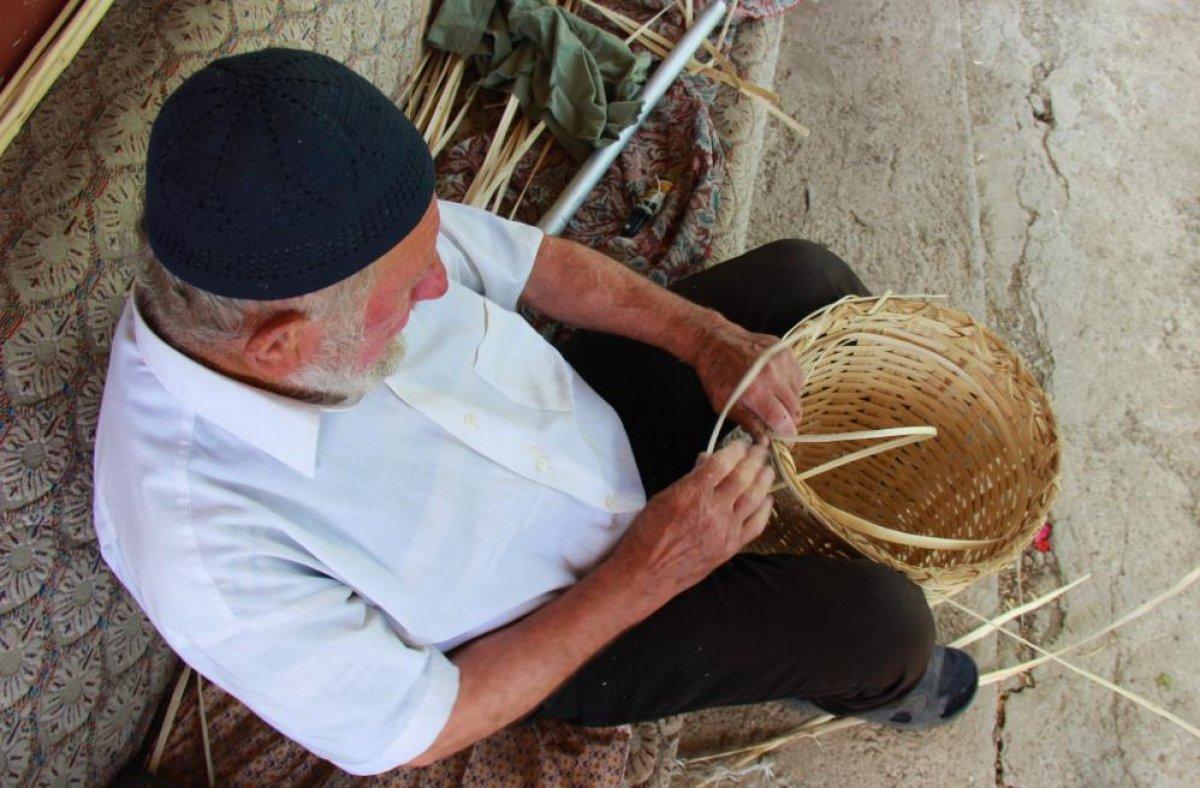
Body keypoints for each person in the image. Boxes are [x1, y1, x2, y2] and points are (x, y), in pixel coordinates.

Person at [94, 48, 977, 776]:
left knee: (806, 286)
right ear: (281, 349)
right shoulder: (198, 547)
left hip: (583, 423)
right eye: (411, 293)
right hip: (562, 623)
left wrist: (705, 338)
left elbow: (536, 267)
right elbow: (425, 724)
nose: (440, 286)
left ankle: (824, 521)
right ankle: (877, 683)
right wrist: (652, 568)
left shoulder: (324, 232)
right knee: (885, 628)